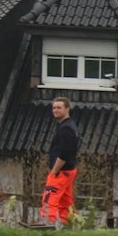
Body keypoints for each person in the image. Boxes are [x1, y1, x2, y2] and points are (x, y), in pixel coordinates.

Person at [43, 96, 78, 226]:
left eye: (59, 107)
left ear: (67, 109)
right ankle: (69, 225)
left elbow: (64, 154)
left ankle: (47, 226)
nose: (55, 110)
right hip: (68, 171)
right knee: (65, 202)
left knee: (49, 199)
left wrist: (54, 172)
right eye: (54, 108)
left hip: (61, 172)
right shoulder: (67, 126)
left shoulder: (66, 129)